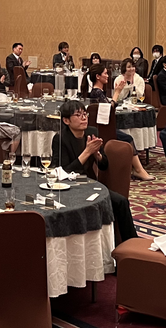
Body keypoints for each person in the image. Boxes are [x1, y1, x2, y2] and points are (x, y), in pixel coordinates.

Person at [52, 101, 138, 244]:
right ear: (66, 121)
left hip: (90, 183)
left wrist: (97, 154)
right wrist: (87, 152)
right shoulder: (60, 138)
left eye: (85, 114)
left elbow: (104, 166)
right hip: (68, 187)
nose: (83, 118)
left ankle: (131, 242)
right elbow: (63, 172)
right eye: (78, 115)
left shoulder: (92, 132)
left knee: (121, 201)